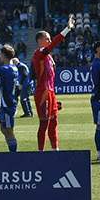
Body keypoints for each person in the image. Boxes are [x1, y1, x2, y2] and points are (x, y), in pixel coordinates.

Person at [31, 18, 76, 151]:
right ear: (40, 40)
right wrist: (67, 29)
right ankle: (41, 152)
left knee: (54, 122)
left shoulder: (49, 57)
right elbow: (54, 44)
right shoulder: (39, 53)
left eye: (50, 39)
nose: (50, 41)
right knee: (44, 123)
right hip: (43, 93)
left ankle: (55, 150)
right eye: (48, 38)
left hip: (50, 92)